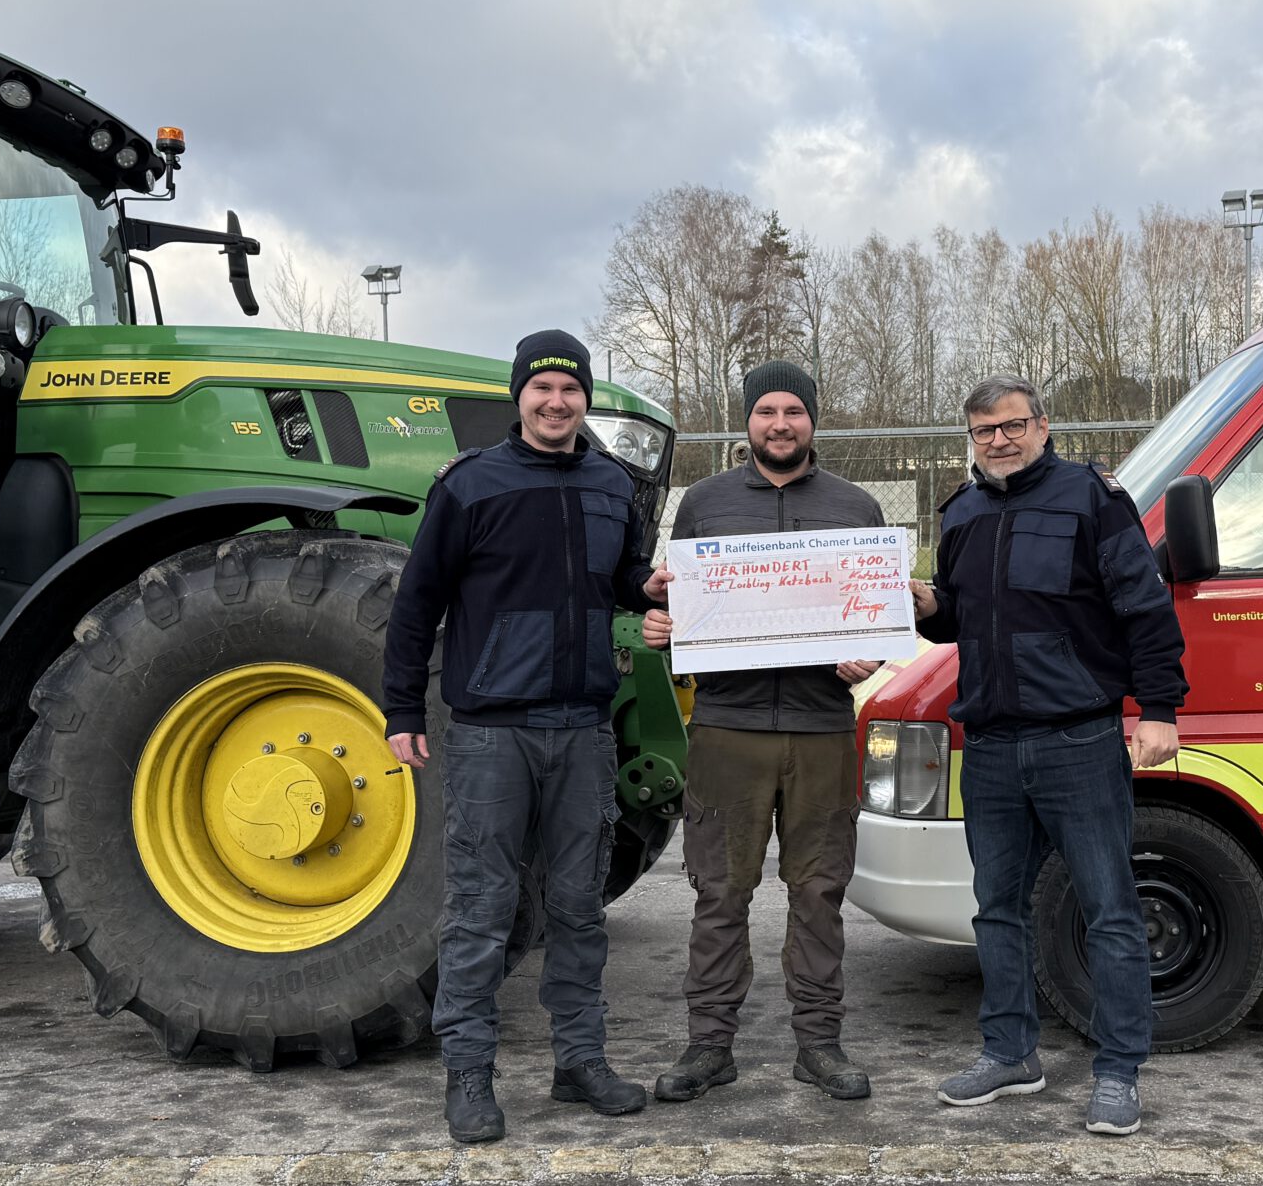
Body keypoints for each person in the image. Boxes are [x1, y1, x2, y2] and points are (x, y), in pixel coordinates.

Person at [381, 330, 656, 1144]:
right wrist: (400, 710)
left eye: (570, 390)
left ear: (584, 399)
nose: (556, 402)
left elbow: (626, 580)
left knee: (579, 908)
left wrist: (659, 591)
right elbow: (415, 604)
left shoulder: (613, 486)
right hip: (491, 735)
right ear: (519, 397)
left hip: (582, 732)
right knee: (480, 907)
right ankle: (468, 1074)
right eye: (541, 389)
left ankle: (580, 1062)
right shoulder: (472, 486)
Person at [911, 375, 1186, 1136]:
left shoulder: (1090, 500)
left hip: (1078, 740)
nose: (998, 440)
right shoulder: (961, 512)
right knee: (998, 909)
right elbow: (958, 618)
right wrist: (927, 606)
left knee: (1110, 910)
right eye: (982, 431)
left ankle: (1119, 1069)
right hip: (992, 744)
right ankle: (1010, 1054)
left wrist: (1159, 707)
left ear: (1043, 425)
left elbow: (1143, 604)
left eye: (1011, 425)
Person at [640, 360, 885, 1103]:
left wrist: (867, 649)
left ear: (814, 419)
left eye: (794, 411)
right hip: (726, 729)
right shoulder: (705, 506)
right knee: (720, 892)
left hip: (820, 730)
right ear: (747, 421)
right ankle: (709, 1046)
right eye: (767, 411)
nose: (780, 424)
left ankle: (819, 1045)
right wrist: (662, 624)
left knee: (819, 893)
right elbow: (677, 607)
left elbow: (873, 610)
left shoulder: (855, 508)